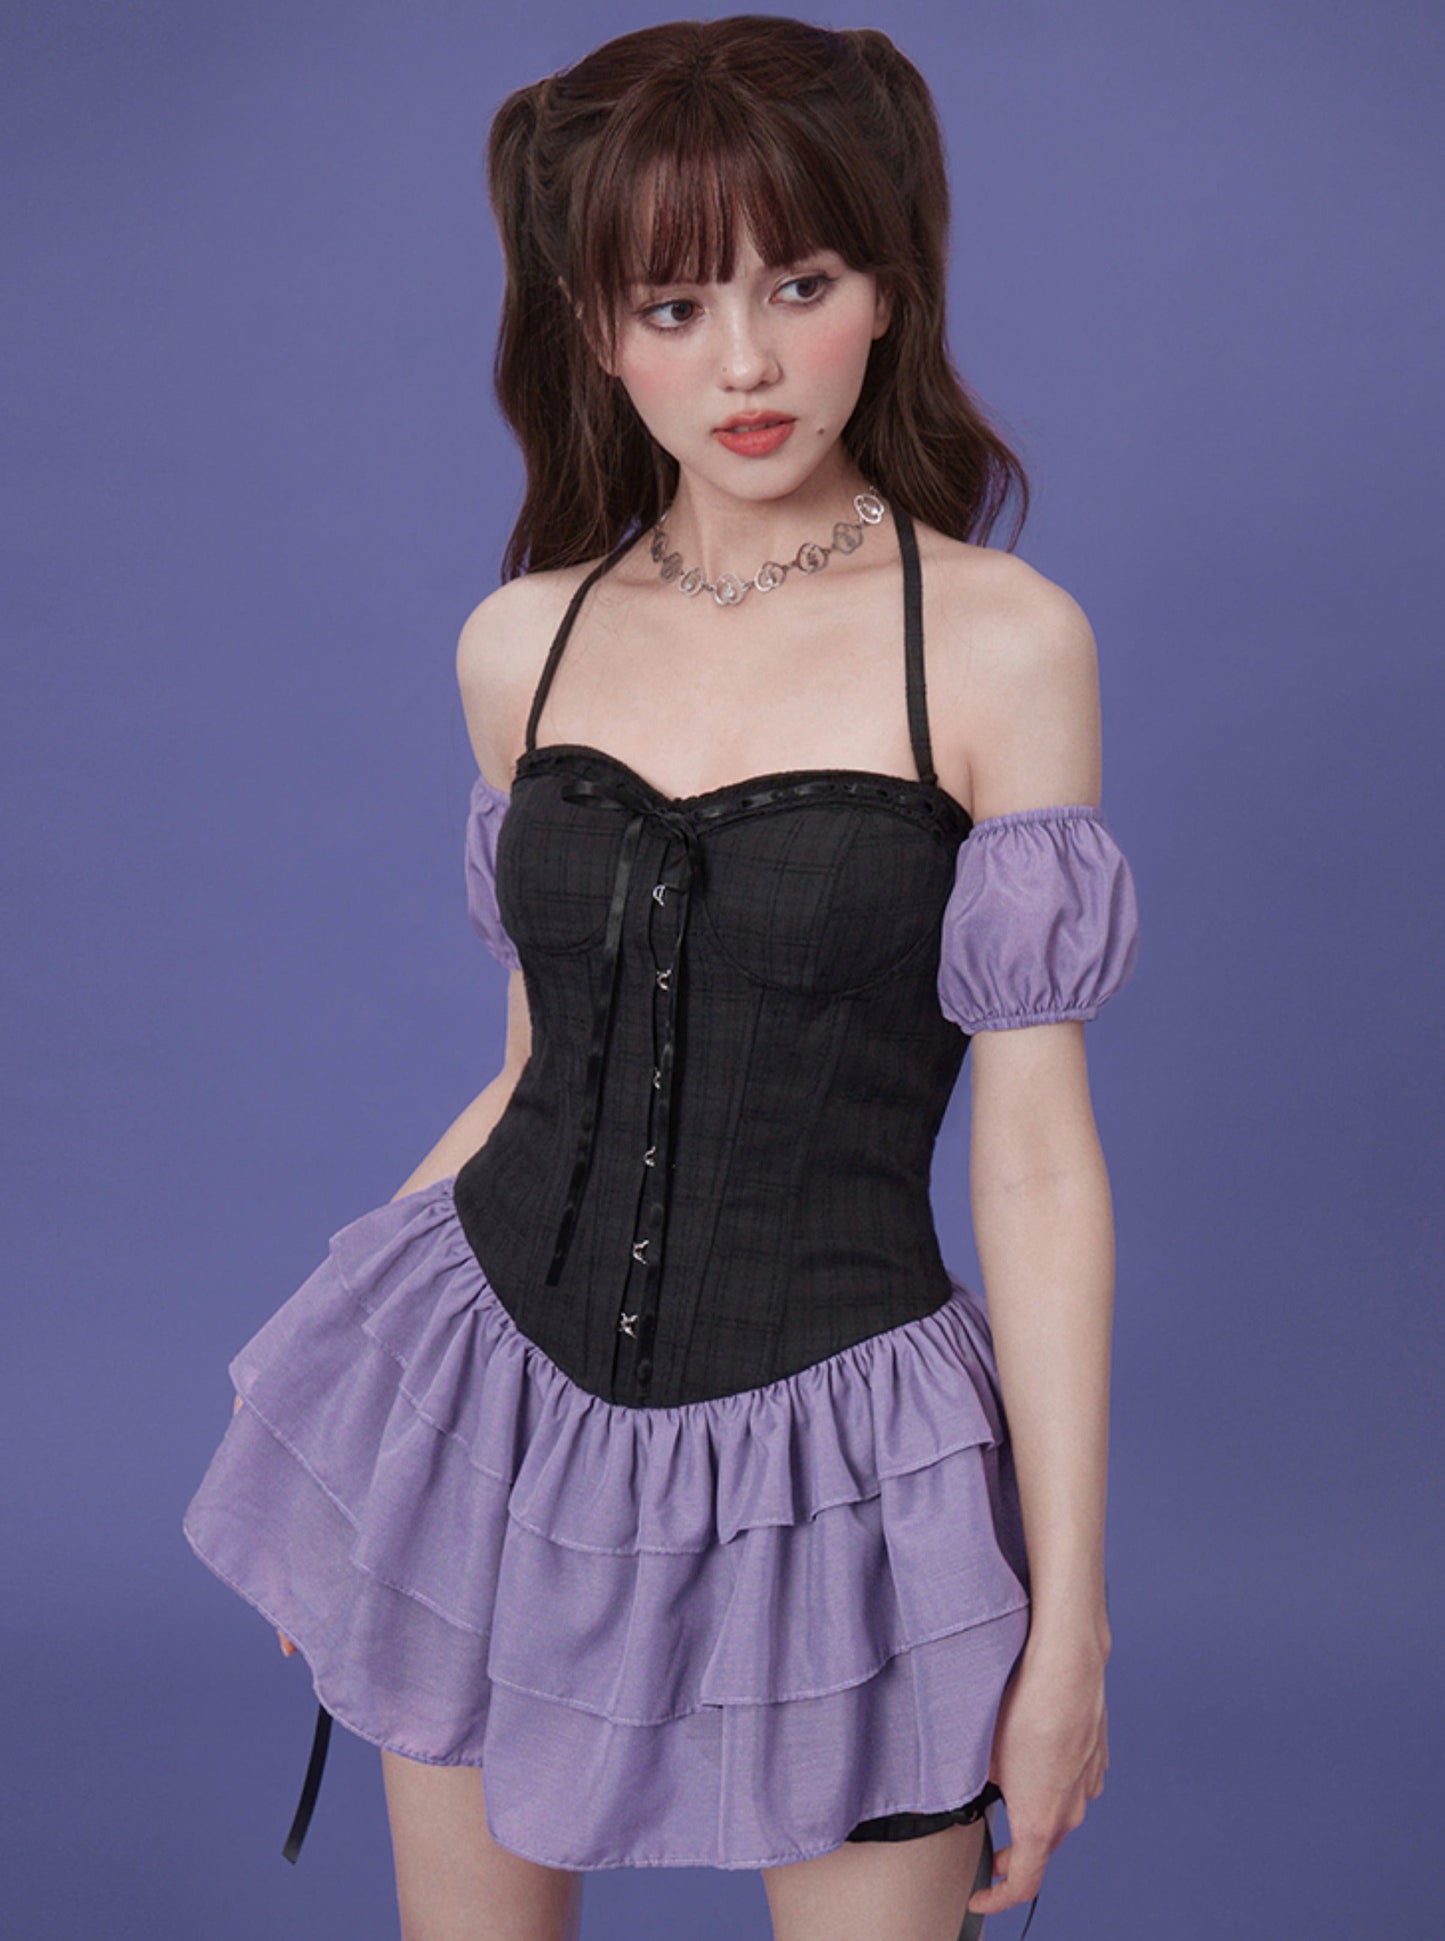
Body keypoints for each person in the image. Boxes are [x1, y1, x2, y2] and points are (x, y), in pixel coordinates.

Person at [183, 16, 1141, 1939]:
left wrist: (1069, 1621)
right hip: (492, 1429)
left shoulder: (999, 644)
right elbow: (534, 1073)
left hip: (844, 1469)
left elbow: (1035, 1164)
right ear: (594, 330)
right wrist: (348, 1445)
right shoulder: (520, 645)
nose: (747, 364)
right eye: (674, 304)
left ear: (889, 288)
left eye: (801, 284)